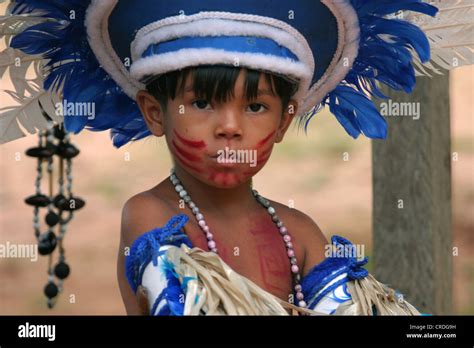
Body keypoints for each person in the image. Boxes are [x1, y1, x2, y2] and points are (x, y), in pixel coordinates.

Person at [1, 0, 438, 315]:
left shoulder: (299, 232)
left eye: (255, 107)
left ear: (284, 122)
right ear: (155, 113)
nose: (230, 127)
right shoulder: (149, 217)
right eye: (204, 103)